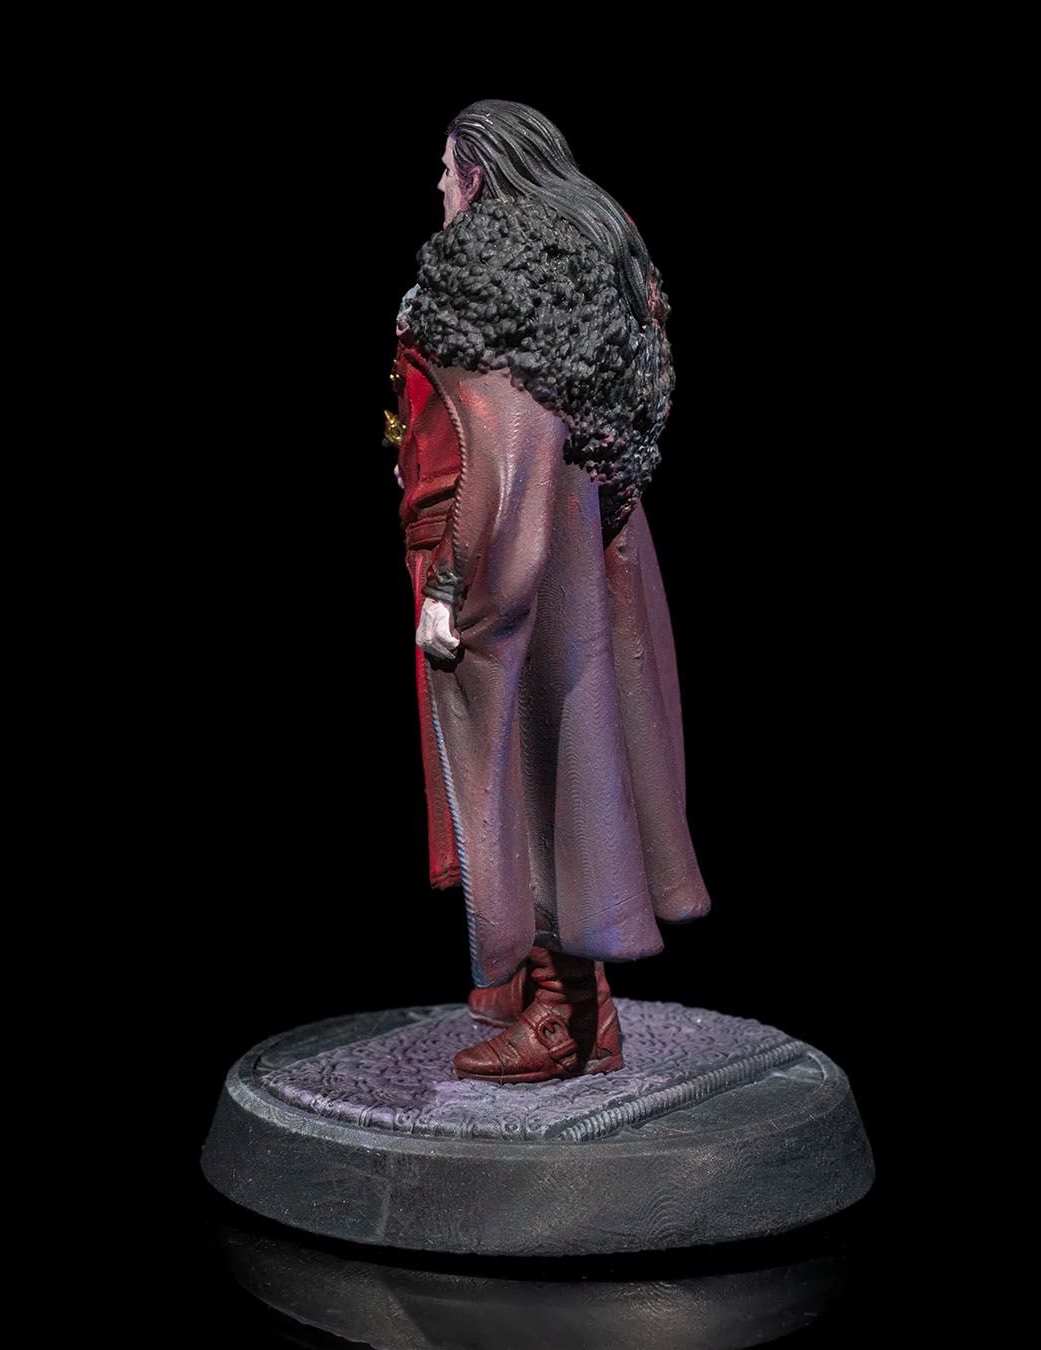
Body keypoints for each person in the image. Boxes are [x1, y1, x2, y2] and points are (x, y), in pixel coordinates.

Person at [385, 100, 710, 1085]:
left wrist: (450, 588)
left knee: (530, 777)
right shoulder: (601, 264)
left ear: (480, 174)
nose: (439, 186)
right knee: (572, 766)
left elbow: (490, 457)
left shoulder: (478, 293)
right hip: (587, 548)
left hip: (505, 564)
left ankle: (569, 1016)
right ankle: (558, 999)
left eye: (447, 168)